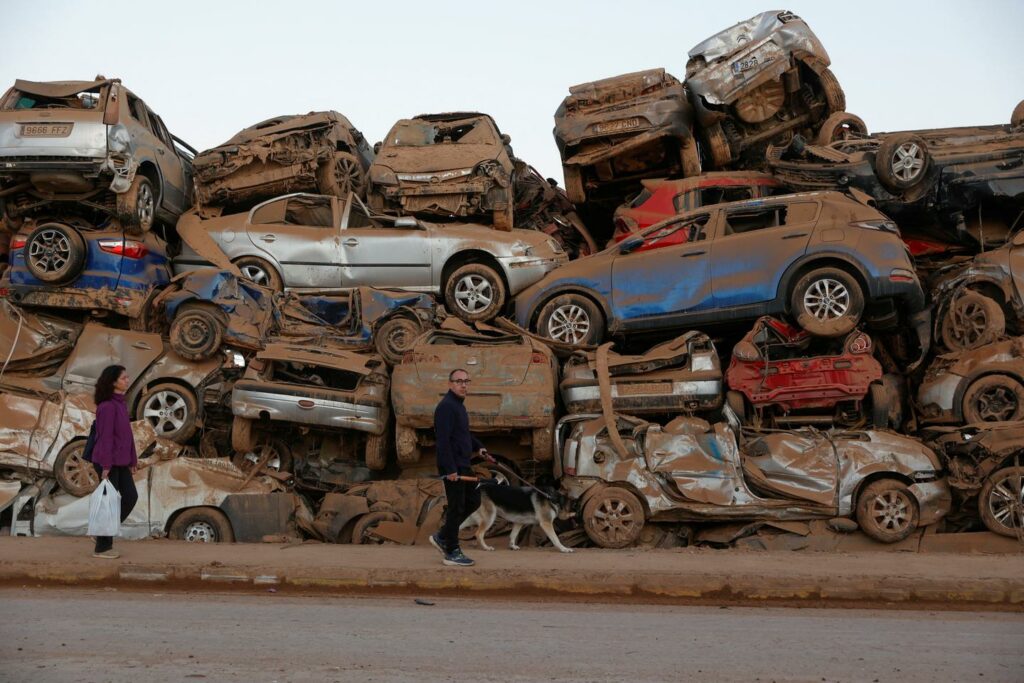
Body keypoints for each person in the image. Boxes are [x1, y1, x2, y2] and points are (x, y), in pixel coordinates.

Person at [429, 368, 494, 567]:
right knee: (456, 507)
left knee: (473, 501)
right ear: (450, 384)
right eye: (459, 381)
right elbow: (443, 441)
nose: (463, 384)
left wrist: (479, 447)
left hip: (463, 464)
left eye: (466, 381)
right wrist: (450, 470)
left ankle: (442, 536)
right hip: (454, 467)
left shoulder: (458, 406)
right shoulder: (446, 407)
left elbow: (463, 434)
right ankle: (452, 551)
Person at [89, 364, 139, 559]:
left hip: (120, 461)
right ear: (113, 382)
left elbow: (127, 435)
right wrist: (106, 466)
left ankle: (102, 532)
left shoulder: (120, 403)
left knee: (130, 497)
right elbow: (105, 438)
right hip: (107, 461)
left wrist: (132, 459)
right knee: (108, 504)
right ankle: (102, 547)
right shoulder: (107, 407)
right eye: (123, 378)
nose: (127, 380)